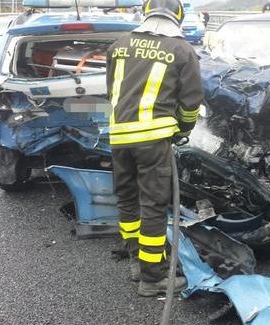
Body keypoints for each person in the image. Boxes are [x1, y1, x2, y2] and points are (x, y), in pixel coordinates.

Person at [106, 0, 204, 296]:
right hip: (152, 140)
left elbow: (112, 89)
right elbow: (191, 104)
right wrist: (183, 131)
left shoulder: (119, 44)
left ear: (146, 13)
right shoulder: (182, 50)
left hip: (119, 136)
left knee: (127, 199)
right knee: (153, 204)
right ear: (177, 17)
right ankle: (153, 278)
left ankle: (137, 261)